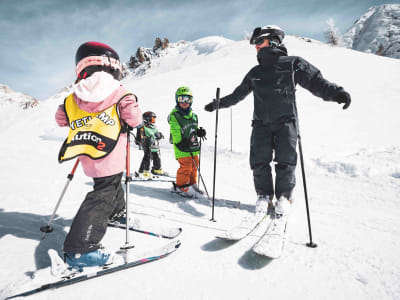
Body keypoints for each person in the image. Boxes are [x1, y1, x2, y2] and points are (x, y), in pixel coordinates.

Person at [204, 25, 351, 216]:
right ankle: (264, 196)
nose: (256, 46)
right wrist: (218, 104)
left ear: (273, 40)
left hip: (286, 122)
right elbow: (237, 95)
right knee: (259, 162)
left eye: (258, 41)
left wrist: (336, 93)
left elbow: (315, 81)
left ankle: (284, 197)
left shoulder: (293, 64)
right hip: (260, 124)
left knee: (286, 161)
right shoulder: (255, 72)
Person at [55, 41, 142, 269]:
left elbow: (61, 119)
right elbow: (134, 119)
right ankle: (79, 249)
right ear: (113, 66)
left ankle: (116, 213)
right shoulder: (119, 91)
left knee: (110, 186)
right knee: (103, 194)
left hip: (87, 153)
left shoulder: (74, 96)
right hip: (111, 154)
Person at [168, 86, 206, 198]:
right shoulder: (175, 115)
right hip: (182, 147)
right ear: (177, 100)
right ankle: (182, 186)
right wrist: (179, 142)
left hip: (192, 146)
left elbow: (193, 128)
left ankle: (192, 184)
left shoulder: (194, 116)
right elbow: (174, 130)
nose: (184, 102)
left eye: (187, 99)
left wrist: (199, 132)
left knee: (194, 166)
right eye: (181, 99)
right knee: (186, 167)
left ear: (191, 101)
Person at [136, 111, 166, 178]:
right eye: (152, 119)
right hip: (147, 144)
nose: (154, 121)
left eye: (154, 119)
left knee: (156, 156)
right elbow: (139, 137)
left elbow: (156, 133)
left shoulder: (153, 127)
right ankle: (144, 171)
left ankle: (156, 168)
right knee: (147, 156)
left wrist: (159, 135)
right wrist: (144, 140)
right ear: (147, 119)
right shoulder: (142, 127)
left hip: (153, 145)